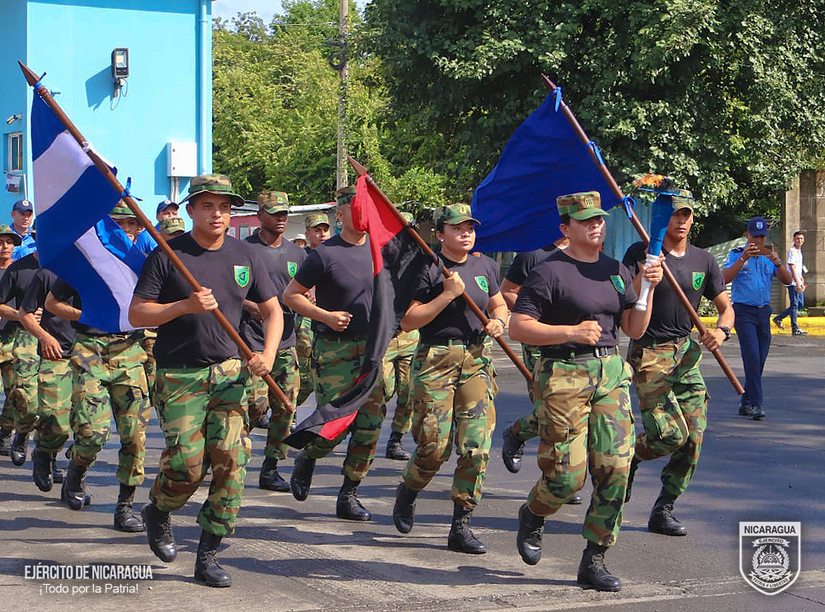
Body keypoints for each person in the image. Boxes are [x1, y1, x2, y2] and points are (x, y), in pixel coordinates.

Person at [130, 174, 281, 588]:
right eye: (209, 206)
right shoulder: (167, 255)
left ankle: (209, 554)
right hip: (180, 376)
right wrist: (183, 305)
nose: (218, 214)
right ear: (191, 210)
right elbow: (137, 314)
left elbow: (273, 310)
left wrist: (266, 355)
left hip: (230, 373)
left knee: (232, 462)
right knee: (187, 466)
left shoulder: (245, 254)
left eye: (225, 207)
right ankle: (158, 510)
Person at [509, 191, 661, 592]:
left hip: (611, 372)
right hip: (563, 373)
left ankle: (594, 558)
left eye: (599, 219)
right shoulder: (548, 271)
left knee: (616, 468)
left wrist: (647, 290)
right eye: (586, 221)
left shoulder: (614, 269)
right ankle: (533, 513)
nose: (597, 225)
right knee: (566, 479)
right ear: (566, 228)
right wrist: (570, 332)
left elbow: (633, 328)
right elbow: (518, 327)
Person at [392, 204, 507, 554]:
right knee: (433, 447)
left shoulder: (486, 265)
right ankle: (409, 489)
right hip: (436, 359)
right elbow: (409, 320)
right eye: (457, 228)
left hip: (475, 359)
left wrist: (499, 321)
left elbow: (498, 304)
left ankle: (461, 523)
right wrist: (446, 295)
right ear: (440, 234)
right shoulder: (426, 268)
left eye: (470, 227)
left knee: (476, 447)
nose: (466, 233)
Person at [622, 188, 734, 537]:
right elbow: (623, 294)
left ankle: (664, 507)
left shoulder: (704, 260)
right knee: (669, 434)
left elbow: (726, 307)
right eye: (675, 215)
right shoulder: (643, 251)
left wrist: (722, 331)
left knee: (693, 438)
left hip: (686, 355)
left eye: (686, 215)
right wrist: (646, 273)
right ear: (664, 219)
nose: (681, 221)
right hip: (649, 353)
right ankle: (630, 458)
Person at [282, 187, 386, 521]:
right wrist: (325, 316)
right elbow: (291, 296)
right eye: (355, 208)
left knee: (370, 424)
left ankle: (349, 493)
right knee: (336, 423)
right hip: (334, 349)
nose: (362, 213)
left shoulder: (380, 250)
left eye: (365, 208)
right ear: (340, 214)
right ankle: (309, 456)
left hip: (371, 349)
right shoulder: (324, 255)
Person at [47, 207, 151, 533]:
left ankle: (125, 507)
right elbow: (52, 304)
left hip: (129, 352)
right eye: (120, 225)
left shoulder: (146, 266)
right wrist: (85, 313)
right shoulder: (86, 263)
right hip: (90, 350)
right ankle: (76, 472)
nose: (127, 231)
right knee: (92, 433)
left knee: (135, 437)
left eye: (132, 225)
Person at [498, 237, 583, 505]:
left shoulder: (584, 255)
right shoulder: (532, 254)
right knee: (548, 408)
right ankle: (557, 479)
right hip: (540, 342)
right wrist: (535, 309)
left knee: (571, 413)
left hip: (576, 344)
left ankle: (523, 436)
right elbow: (507, 291)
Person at [239, 190, 306, 492]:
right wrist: (249, 306)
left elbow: (305, 287)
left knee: (286, 407)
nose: (281, 219)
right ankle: (226, 454)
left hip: (286, 341)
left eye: (284, 214)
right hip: (251, 342)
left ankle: (271, 467)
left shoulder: (296, 253)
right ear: (260, 215)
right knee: (254, 406)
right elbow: (228, 290)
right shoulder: (242, 250)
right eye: (275, 213)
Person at [723, 217, 792, 420]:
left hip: (764, 312)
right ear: (747, 235)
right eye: (756, 236)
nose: (759, 241)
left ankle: (745, 401)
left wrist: (778, 263)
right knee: (752, 357)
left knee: (759, 360)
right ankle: (756, 404)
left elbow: (787, 281)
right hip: (744, 313)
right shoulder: (737, 255)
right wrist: (743, 258)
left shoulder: (768, 256)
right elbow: (724, 278)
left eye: (762, 236)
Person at [18, 267, 74, 491]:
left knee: (89, 428)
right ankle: (43, 453)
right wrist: (44, 337)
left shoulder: (99, 271)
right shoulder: (48, 274)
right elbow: (25, 313)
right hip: (56, 356)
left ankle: (75, 482)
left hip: (90, 355)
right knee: (55, 419)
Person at [0, 241, 41, 467]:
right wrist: (22, 314)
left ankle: (48, 456)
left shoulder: (65, 267)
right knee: (21, 391)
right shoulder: (19, 270)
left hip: (60, 338)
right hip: (21, 337)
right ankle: (20, 433)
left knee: (57, 404)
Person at [383, 212, 419, 461]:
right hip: (384, 335)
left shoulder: (421, 260)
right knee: (383, 389)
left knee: (408, 393)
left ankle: (395, 439)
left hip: (409, 335)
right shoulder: (379, 260)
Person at [294, 212, 331, 406]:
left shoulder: (335, 253)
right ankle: (288, 408)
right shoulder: (302, 256)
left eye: (325, 229)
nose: (322, 234)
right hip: (307, 318)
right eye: (317, 230)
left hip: (330, 320)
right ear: (307, 233)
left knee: (325, 372)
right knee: (305, 374)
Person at [0, 225, 22, 456]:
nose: (5, 246)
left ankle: (5, 432)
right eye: (1, 241)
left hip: (11, 338)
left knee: (15, 391)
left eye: (9, 242)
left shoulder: (19, 270)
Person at [773, 231, 807, 336]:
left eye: (801, 238)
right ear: (794, 240)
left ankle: (779, 318)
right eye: (797, 239)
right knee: (795, 305)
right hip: (792, 282)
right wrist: (797, 282)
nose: (799, 240)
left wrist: (801, 279)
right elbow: (792, 267)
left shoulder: (799, 251)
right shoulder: (792, 251)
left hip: (798, 280)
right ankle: (795, 328)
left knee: (800, 304)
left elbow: (798, 267)